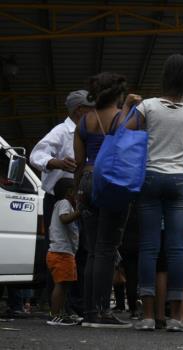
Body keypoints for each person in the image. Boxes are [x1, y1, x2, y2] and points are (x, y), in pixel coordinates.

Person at [130, 53, 183, 332]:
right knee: (176, 250)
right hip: (179, 181)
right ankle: (177, 317)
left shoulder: (146, 108)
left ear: (165, 77)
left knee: (149, 248)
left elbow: (127, 140)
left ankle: (149, 315)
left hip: (149, 179)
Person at [74, 72, 133, 328]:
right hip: (111, 183)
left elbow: (78, 163)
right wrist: (130, 107)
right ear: (118, 94)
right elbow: (130, 151)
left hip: (87, 180)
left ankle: (89, 312)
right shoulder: (123, 118)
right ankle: (102, 312)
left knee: (91, 250)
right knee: (107, 249)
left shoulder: (84, 121)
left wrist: (77, 192)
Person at [30, 90, 94, 307]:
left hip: (80, 199)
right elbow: (36, 155)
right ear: (79, 110)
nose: (94, 111)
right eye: (90, 107)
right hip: (58, 201)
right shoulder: (61, 131)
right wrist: (56, 163)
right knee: (58, 250)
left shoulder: (89, 131)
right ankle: (55, 304)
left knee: (83, 249)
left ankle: (78, 303)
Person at [46, 178, 80, 326]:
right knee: (60, 284)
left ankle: (61, 312)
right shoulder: (64, 203)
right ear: (69, 192)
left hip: (64, 252)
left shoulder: (61, 204)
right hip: (61, 252)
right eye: (76, 191)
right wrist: (80, 211)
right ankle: (55, 315)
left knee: (65, 285)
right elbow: (65, 219)